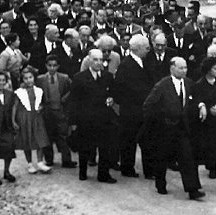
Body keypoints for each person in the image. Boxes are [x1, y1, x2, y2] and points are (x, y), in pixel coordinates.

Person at [141, 57, 205, 199]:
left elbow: (196, 97)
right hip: (165, 129)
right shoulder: (162, 85)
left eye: (185, 68)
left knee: (187, 157)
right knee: (162, 157)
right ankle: (160, 184)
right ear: (172, 68)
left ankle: (192, 189)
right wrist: (159, 121)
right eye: (181, 68)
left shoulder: (188, 83)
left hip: (182, 128)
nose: (184, 71)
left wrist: (201, 105)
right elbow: (148, 105)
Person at [68, 49, 119, 183]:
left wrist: (111, 98)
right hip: (86, 120)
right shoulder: (79, 78)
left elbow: (114, 93)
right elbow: (73, 101)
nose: (98, 63)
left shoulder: (108, 76)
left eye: (101, 60)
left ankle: (103, 174)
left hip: (104, 119)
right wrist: (73, 122)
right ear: (89, 60)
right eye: (95, 60)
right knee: (85, 147)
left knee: (104, 148)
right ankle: (83, 172)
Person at [112, 34, 155, 178]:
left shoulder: (144, 62)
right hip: (131, 110)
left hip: (143, 109)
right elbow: (120, 89)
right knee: (129, 140)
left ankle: (149, 170)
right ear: (138, 48)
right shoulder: (126, 65)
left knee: (147, 140)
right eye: (146, 48)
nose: (148, 50)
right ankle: (127, 168)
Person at [192, 56, 216, 179]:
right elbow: (198, 100)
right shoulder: (199, 85)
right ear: (208, 70)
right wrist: (207, 108)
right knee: (210, 146)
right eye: (215, 68)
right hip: (207, 122)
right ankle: (211, 167)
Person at [37, 54, 75, 168]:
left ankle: (66, 160)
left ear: (58, 66)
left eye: (54, 65)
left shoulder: (64, 78)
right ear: (46, 66)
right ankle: (49, 159)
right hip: (47, 112)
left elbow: (72, 90)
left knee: (63, 136)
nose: (52, 68)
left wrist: (65, 98)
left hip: (60, 110)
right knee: (48, 136)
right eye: (50, 65)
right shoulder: (40, 79)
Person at [13, 66, 51, 174]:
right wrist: (13, 121)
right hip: (25, 119)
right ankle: (29, 163)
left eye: (30, 77)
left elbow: (42, 103)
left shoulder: (38, 91)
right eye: (26, 78)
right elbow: (15, 107)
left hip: (37, 118)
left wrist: (41, 107)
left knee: (40, 139)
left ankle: (40, 162)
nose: (28, 80)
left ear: (34, 78)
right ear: (22, 80)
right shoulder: (19, 92)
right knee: (27, 141)